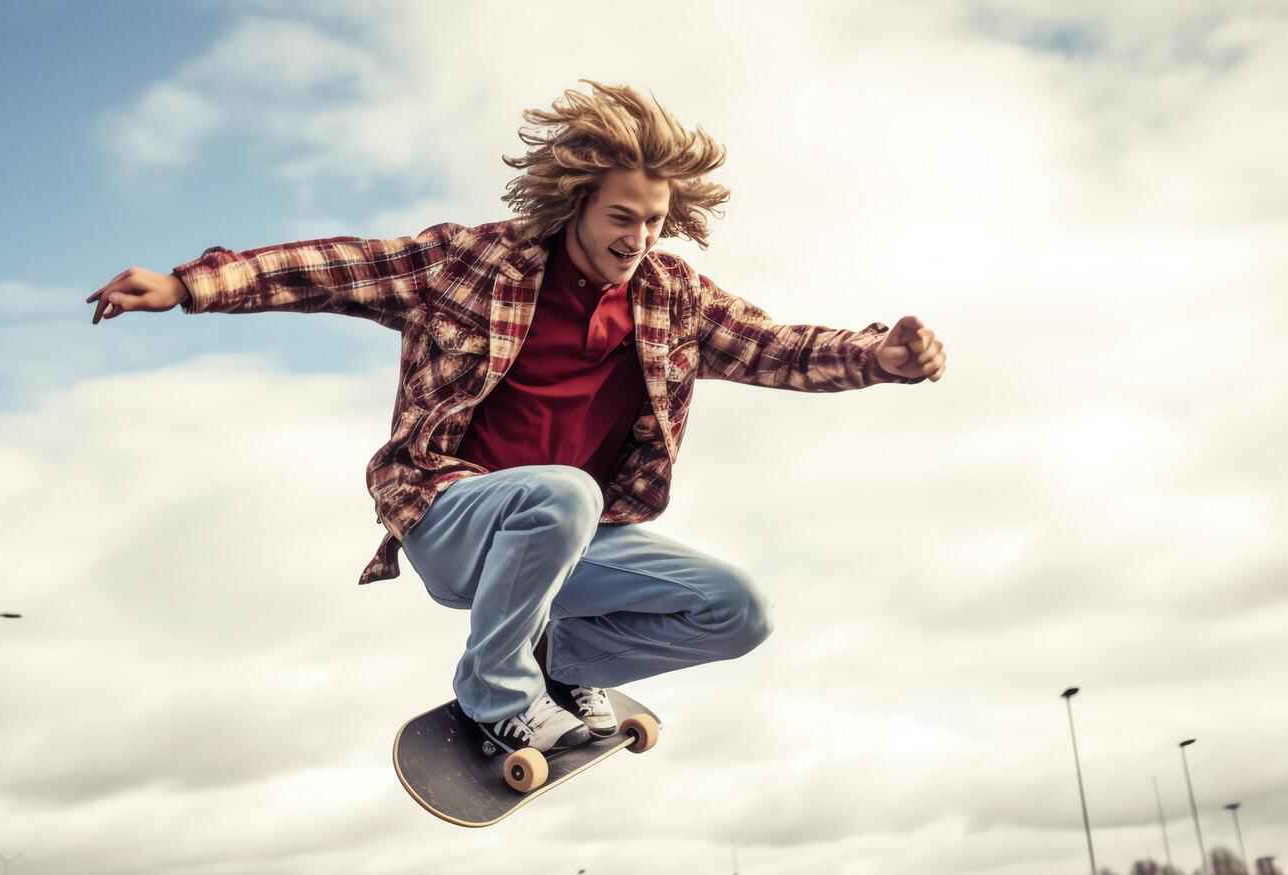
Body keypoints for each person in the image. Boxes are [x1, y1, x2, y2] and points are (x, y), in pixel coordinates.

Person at [84, 79, 946, 758]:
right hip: (455, 518)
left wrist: (878, 358)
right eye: (620, 218)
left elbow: (774, 347)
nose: (636, 239)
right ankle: (497, 696)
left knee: (737, 610)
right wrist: (191, 286)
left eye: (651, 223)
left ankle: (564, 665)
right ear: (574, 203)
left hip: (566, 542)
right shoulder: (471, 262)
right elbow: (338, 266)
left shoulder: (671, 298)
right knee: (564, 493)